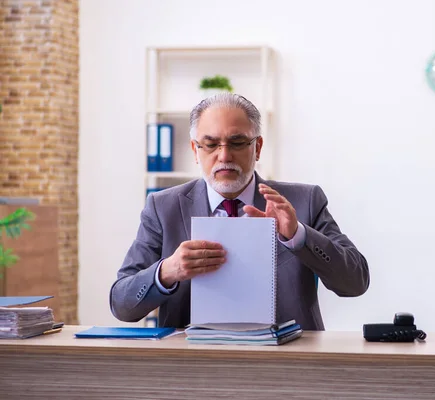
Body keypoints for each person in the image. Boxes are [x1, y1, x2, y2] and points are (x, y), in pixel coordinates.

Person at [109, 93, 370, 330]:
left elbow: (355, 282)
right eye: (210, 144)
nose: (224, 156)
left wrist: (297, 235)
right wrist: (166, 272)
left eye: (236, 142)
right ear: (195, 151)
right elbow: (122, 305)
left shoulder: (304, 201)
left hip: (287, 363)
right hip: (191, 365)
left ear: (257, 147)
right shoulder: (162, 208)